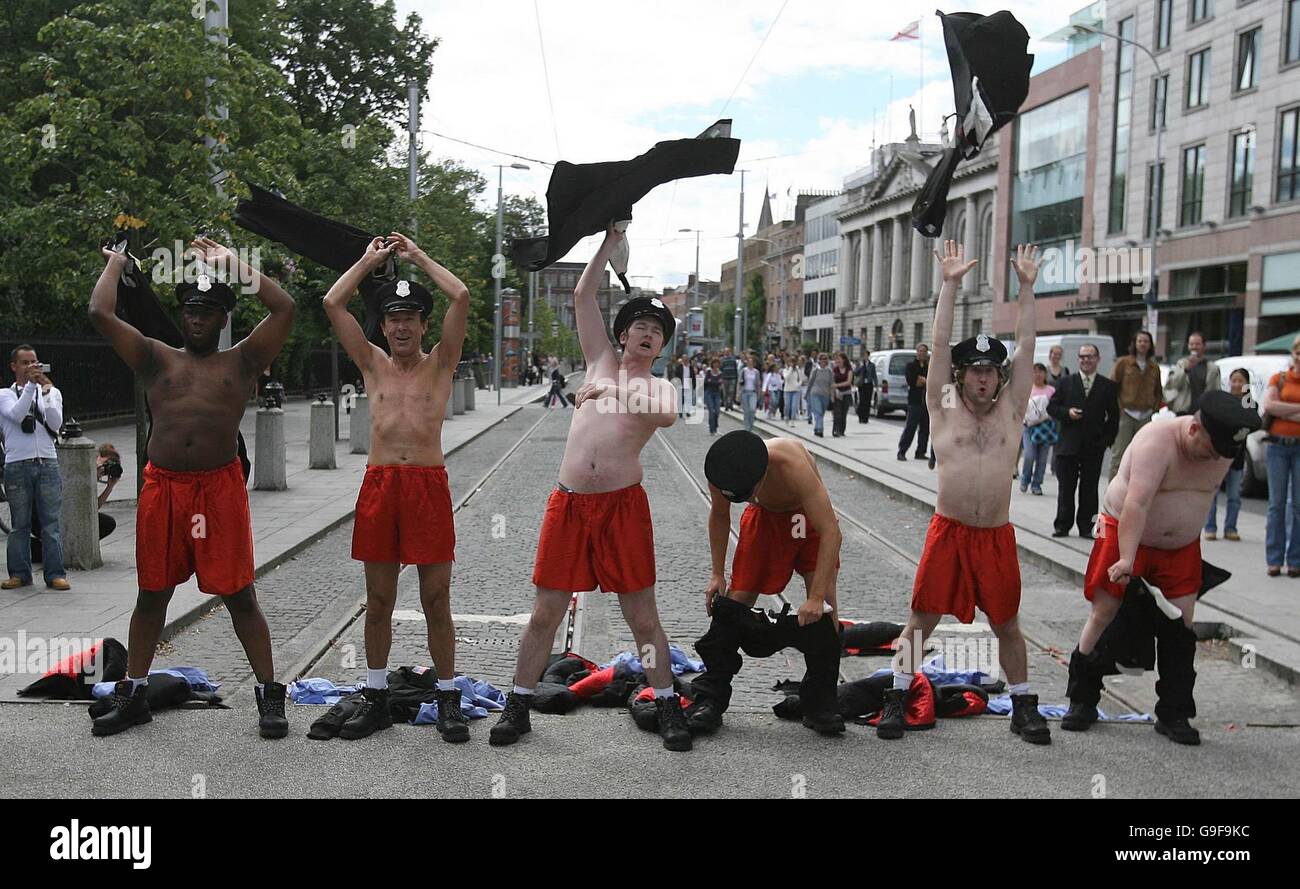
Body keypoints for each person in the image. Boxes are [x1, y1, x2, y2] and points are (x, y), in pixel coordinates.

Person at [490, 227, 691, 752]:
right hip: (570, 503)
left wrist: (615, 388)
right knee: (546, 610)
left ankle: (667, 701)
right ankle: (518, 702)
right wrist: (610, 240)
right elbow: (583, 295)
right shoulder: (599, 359)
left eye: (657, 330)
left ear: (662, 345)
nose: (647, 334)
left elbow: (667, 417)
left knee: (642, 615)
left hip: (623, 507)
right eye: (640, 326)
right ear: (623, 334)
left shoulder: (656, 386)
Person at [87, 236, 294, 737]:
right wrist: (116, 264)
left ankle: (269, 695)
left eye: (206, 313)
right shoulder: (155, 358)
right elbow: (99, 311)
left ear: (223, 319)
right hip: (164, 488)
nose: (196, 319)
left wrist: (236, 266)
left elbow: (285, 307)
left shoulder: (242, 362)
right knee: (151, 593)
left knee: (240, 595)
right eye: (190, 311)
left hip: (217, 490)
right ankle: (134, 694)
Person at [882, 242, 1048, 745]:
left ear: (1000, 377)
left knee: (1007, 622)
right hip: (949, 531)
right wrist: (950, 284)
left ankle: (1022, 703)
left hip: (994, 536)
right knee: (921, 619)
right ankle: (895, 694)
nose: (982, 376)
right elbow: (936, 341)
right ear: (961, 375)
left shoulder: (1012, 409)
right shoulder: (943, 406)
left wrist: (1025, 287)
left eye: (990, 370)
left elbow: (1026, 344)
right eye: (974, 369)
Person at [322, 233, 471, 743]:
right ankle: (377, 695)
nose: (401, 326)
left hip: (427, 486)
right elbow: (332, 302)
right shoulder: (372, 364)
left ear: (423, 325)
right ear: (382, 326)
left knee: (436, 597)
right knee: (379, 599)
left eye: (410, 318)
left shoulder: (441, 364)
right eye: (393, 318)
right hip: (381, 486)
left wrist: (418, 258)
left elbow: (462, 296)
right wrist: (368, 261)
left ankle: (447, 696)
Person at [1063, 391, 1260, 745]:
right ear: (1194, 429)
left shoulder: (1223, 447)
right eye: (1211, 449)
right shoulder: (1157, 440)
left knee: (1181, 626)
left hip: (1180, 548)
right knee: (1104, 611)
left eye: (1223, 453)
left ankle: (1174, 712)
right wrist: (1126, 558)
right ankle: (1082, 699)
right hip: (1126, 532)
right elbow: (1137, 503)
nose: (1216, 458)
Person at [690, 431, 843, 735]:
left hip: (807, 520)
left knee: (825, 608)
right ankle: (710, 698)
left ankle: (820, 703)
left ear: (760, 476)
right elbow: (719, 515)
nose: (745, 500)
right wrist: (717, 574)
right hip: (765, 521)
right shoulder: (722, 470)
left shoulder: (791, 464)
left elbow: (831, 532)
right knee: (734, 604)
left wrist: (814, 598)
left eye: (748, 493)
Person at [1, 345, 67, 591]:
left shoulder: (50, 392)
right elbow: (17, 414)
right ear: (14, 367)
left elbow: (55, 422)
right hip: (17, 464)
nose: (31, 366)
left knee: (51, 522)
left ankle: (55, 574)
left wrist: (47, 392)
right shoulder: (5, 395)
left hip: (47, 462)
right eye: (25, 362)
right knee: (20, 523)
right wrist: (30, 386)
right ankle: (19, 573)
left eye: (34, 362)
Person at [1048, 344, 1119, 539]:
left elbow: (1113, 418)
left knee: (1090, 489)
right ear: (1078, 359)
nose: (1085, 360)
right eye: (1082, 357)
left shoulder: (1107, 386)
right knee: (1066, 489)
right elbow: (1052, 408)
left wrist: (1105, 441)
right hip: (1068, 445)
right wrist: (1067, 413)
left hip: (1093, 446)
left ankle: (1087, 526)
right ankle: (1062, 525)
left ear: (1098, 359)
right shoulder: (1065, 383)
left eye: (1090, 357)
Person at [30, 442, 121, 564]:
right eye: (104, 464)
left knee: (108, 523)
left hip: (66, 515)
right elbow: (71, 501)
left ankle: (59, 549)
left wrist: (110, 487)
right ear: (96, 456)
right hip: (44, 515)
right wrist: (91, 478)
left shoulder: (92, 471)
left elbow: (91, 509)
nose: (104, 468)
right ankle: (50, 549)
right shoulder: (76, 463)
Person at [1262, 338, 1300, 576]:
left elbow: (1278, 407)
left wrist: (1285, 409)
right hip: (1277, 447)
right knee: (1276, 505)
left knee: (1298, 506)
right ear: (1293, 353)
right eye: (1298, 351)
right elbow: (1270, 405)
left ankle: (1295, 560)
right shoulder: (1280, 378)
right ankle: (1274, 560)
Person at [1108, 330, 1163, 477]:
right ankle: (1113, 494)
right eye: (1140, 341)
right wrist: (1117, 409)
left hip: (1145, 415)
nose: (1143, 344)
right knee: (1119, 455)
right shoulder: (1123, 363)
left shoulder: (1154, 367)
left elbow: (1158, 390)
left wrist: (1154, 409)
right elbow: (1112, 387)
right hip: (1126, 413)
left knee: (1142, 456)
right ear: (1135, 343)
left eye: (1146, 341)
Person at [1205, 368, 1250, 541]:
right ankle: (1210, 527)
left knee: (1234, 496)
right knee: (1213, 494)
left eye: (1241, 381)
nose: (1237, 384)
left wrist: (1246, 396)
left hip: (1237, 458)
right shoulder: (1223, 401)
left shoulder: (1250, 403)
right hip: (1220, 455)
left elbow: (1250, 419)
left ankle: (1231, 527)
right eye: (1234, 381)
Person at [1019, 364, 1056, 496]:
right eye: (1034, 372)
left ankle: (1037, 484)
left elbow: (1055, 407)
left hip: (1046, 428)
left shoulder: (1051, 390)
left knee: (1042, 458)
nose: (1038, 375)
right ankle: (1025, 479)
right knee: (1029, 455)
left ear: (1045, 374)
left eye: (1041, 372)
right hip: (1029, 428)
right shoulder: (1026, 389)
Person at [1164, 331, 1220, 416]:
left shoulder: (1212, 368)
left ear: (1204, 346)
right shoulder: (1181, 364)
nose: (1194, 347)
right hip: (1183, 410)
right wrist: (1185, 370)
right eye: (1191, 344)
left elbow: (1216, 391)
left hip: (1203, 411)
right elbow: (1174, 384)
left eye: (1197, 344)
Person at [896, 344, 930, 460]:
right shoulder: (911, 366)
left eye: (924, 351)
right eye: (920, 351)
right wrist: (923, 381)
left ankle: (920, 452)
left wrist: (923, 381)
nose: (922, 353)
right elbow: (912, 381)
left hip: (926, 402)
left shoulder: (929, 366)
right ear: (917, 352)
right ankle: (902, 451)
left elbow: (931, 382)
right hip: (914, 401)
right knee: (910, 428)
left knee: (925, 429)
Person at [805, 353, 833, 438]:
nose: (823, 361)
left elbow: (831, 384)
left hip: (825, 395)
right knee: (818, 412)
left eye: (825, 359)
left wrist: (832, 395)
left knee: (822, 412)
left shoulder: (829, 371)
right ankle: (820, 429)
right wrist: (807, 393)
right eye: (822, 359)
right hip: (815, 393)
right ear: (819, 361)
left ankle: (817, 427)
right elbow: (810, 382)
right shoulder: (815, 370)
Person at [831, 352, 853, 437]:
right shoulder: (835, 370)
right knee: (837, 413)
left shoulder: (849, 370)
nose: (837, 361)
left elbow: (849, 382)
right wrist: (834, 390)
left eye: (839, 359)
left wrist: (837, 385)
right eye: (836, 359)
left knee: (844, 413)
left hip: (846, 393)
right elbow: (832, 381)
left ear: (844, 360)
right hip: (837, 393)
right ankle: (835, 430)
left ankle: (842, 430)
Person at [739, 355, 761, 431]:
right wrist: (738, 393)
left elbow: (758, 384)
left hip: (753, 392)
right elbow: (739, 382)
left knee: (752, 409)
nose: (750, 363)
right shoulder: (744, 371)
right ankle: (746, 428)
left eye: (752, 362)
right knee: (746, 411)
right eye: (749, 362)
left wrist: (759, 394)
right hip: (745, 392)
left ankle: (751, 425)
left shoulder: (756, 372)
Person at [781, 357, 805, 428]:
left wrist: (798, 385)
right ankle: (786, 416)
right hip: (787, 390)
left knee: (794, 406)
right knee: (787, 405)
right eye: (790, 362)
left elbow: (801, 379)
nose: (792, 364)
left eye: (793, 362)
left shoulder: (798, 370)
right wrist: (790, 369)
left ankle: (792, 420)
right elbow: (786, 378)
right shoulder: (785, 370)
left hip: (796, 390)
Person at [854, 350, 877, 424]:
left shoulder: (872, 365)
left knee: (868, 401)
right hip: (862, 384)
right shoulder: (861, 364)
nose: (865, 357)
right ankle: (861, 417)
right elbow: (855, 373)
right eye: (864, 355)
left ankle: (866, 418)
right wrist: (861, 366)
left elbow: (874, 375)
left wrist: (876, 384)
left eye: (866, 355)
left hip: (869, 384)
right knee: (862, 401)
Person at [702, 358, 723, 435]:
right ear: (712, 364)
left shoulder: (720, 373)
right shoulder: (709, 372)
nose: (716, 365)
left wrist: (712, 381)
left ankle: (715, 426)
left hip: (717, 393)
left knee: (717, 411)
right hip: (709, 393)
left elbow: (720, 383)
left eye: (717, 363)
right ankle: (712, 430)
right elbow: (706, 382)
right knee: (711, 411)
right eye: (714, 363)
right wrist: (715, 382)